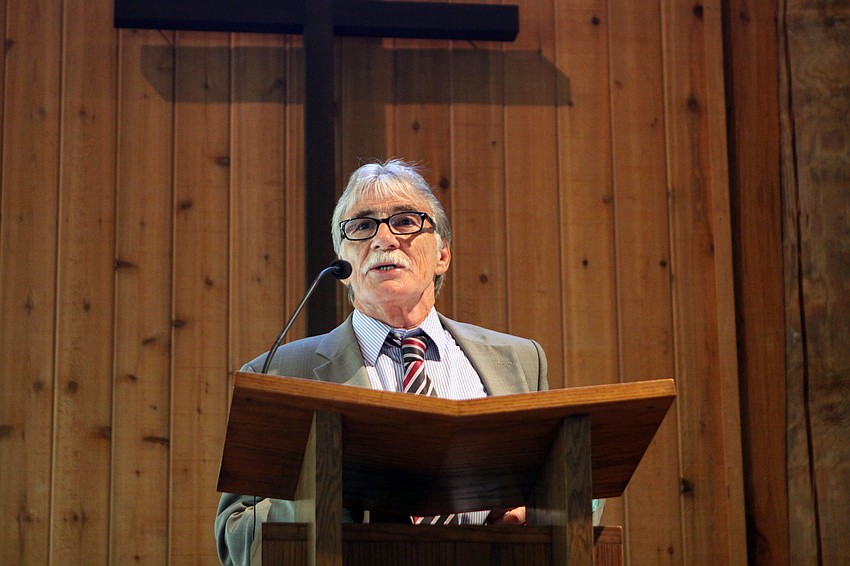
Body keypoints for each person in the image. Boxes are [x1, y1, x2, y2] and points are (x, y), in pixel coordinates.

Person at [215, 159, 548, 565]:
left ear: (442, 254)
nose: (384, 239)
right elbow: (237, 541)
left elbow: (572, 482)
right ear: (342, 263)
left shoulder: (518, 361)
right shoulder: (280, 374)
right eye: (361, 226)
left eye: (406, 221)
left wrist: (542, 511)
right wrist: (334, 487)